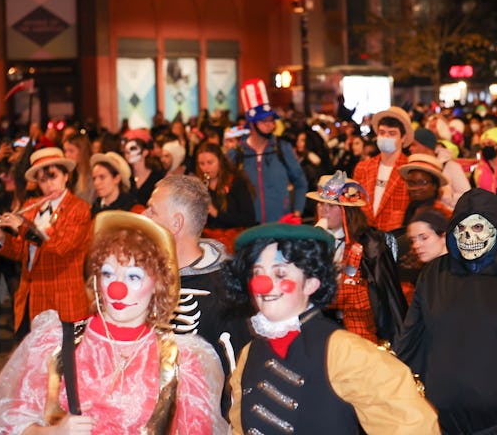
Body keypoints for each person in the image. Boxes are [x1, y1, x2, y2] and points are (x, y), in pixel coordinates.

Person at [0, 211, 227, 433]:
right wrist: (53, 432)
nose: (117, 289)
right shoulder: (54, 343)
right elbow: (9, 424)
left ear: (158, 284)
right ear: (96, 279)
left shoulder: (183, 360)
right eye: (108, 274)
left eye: (133, 276)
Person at [224, 222, 439, 434]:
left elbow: (411, 424)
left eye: (280, 273)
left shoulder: (345, 351)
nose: (264, 284)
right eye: (257, 272)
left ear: (311, 283)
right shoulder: (248, 354)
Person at [394, 188, 497, 434]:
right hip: (440, 420)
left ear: (496, 228)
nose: (467, 236)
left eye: (476, 228)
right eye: (461, 228)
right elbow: (411, 337)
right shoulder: (434, 275)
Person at [143, 175, 251, 397]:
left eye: (152, 210)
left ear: (176, 223)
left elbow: (236, 379)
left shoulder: (226, 292)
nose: (143, 216)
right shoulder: (144, 276)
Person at [0, 148, 92, 339]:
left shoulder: (78, 208)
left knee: (65, 365)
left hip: (64, 301)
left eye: (53, 176)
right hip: (31, 299)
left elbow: (60, 246)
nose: (48, 184)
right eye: (42, 180)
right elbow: (23, 252)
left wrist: (25, 227)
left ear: (66, 176)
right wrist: (2, 239)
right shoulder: (33, 206)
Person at [308, 171, 406, 343]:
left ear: (346, 211)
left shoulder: (370, 243)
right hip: (320, 322)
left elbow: (387, 295)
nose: (324, 210)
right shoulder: (312, 240)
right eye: (320, 204)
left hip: (359, 325)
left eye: (331, 205)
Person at [232, 79, 308, 223]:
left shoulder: (282, 148)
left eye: (271, 120)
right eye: (264, 121)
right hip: (249, 231)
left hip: (281, 227)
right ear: (252, 124)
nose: (271, 125)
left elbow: (301, 182)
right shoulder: (237, 154)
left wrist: (297, 213)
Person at [353, 106, 414, 231]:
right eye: (382, 132)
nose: (385, 137)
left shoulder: (410, 170)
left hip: (395, 238)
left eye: (392, 133)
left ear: (403, 138)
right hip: (365, 235)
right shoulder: (363, 167)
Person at [196, 141, 256, 253]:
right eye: (201, 164)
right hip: (208, 244)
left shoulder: (236, 182)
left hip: (233, 242)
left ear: (220, 161)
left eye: (210, 162)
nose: (205, 168)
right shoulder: (201, 185)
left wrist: (216, 213)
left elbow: (248, 218)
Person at [397, 153, 453, 226]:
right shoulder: (409, 209)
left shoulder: (443, 214)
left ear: (435, 185)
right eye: (411, 183)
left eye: (422, 182)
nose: (415, 188)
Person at [89, 151, 143, 216]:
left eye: (102, 177)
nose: (96, 183)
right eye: (94, 178)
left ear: (117, 178)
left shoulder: (130, 209)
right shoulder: (95, 207)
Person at [122, 130, 164, 207]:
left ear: (145, 152)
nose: (128, 153)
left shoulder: (157, 177)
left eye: (133, 149)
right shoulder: (126, 177)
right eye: (126, 151)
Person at [62, 132, 96, 205]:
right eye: (65, 151)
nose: (67, 155)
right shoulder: (72, 172)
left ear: (82, 151)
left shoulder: (93, 172)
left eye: (71, 151)